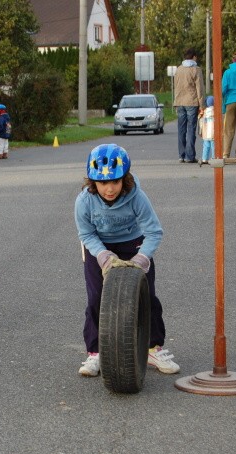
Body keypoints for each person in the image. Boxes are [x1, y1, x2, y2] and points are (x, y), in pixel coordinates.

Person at [74, 143, 179, 377]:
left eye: (115, 182)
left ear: (125, 179)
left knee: (147, 296)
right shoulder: (84, 201)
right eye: (103, 183)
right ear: (93, 182)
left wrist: (142, 258)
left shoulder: (137, 197)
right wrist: (101, 255)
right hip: (99, 245)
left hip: (133, 242)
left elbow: (154, 231)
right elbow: (86, 234)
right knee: (96, 298)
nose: (109, 189)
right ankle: (95, 352)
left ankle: (153, 348)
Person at [173, 48, 206, 163]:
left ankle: (181, 155)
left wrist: (175, 102)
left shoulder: (179, 69)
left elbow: (176, 86)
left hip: (180, 102)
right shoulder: (196, 70)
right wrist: (202, 105)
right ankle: (190, 156)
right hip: (192, 102)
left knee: (181, 129)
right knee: (191, 129)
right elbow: (200, 89)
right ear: (194, 57)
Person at [198, 95, 215, 166]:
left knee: (206, 145)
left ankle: (204, 158)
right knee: (213, 146)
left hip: (205, 133)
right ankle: (214, 158)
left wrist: (200, 131)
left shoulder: (204, 112)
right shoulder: (215, 111)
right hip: (213, 132)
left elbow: (200, 120)